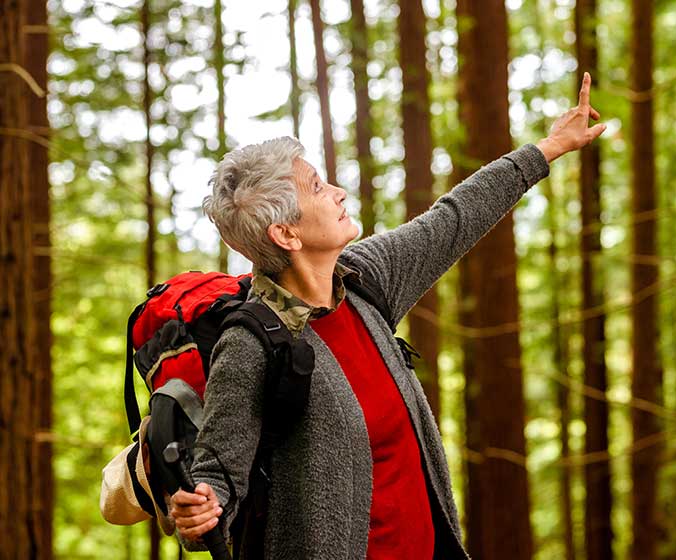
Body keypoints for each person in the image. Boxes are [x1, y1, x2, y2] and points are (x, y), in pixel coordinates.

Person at [170, 72, 606, 558]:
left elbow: (453, 218)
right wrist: (201, 508)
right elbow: (217, 472)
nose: (338, 192)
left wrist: (548, 148)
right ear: (285, 235)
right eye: (317, 187)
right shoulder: (252, 342)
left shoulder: (363, 281)